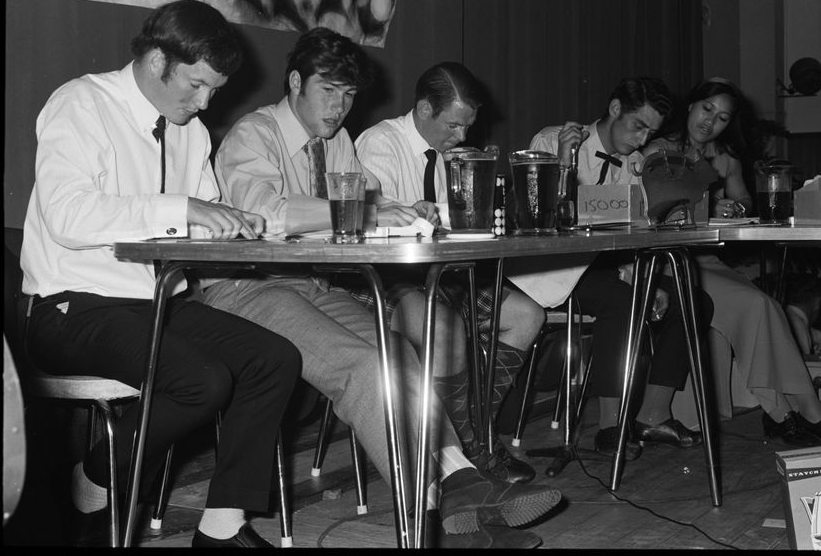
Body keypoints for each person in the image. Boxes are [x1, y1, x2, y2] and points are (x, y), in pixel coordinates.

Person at [201, 27, 561, 548]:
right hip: (248, 287)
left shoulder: (337, 142)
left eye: (349, 95)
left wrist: (401, 212)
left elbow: (366, 207)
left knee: (397, 356)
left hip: (314, 283)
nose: (339, 107)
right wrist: (368, 212)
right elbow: (264, 214)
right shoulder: (253, 133)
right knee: (365, 367)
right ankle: (435, 516)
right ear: (296, 82)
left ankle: (461, 495)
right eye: (328, 90)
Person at [20, 0, 303, 548]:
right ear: (156, 61)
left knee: (274, 359)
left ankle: (221, 531)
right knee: (201, 380)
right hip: (69, 307)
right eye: (196, 85)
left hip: (154, 306)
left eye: (214, 91)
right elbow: (67, 216)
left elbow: (200, 218)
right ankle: (94, 476)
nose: (204, 103)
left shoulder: (191, 132)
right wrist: (182, 209)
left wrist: (233, 227)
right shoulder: (81, 103)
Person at [354, 61, 546, 484]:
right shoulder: (379, 143)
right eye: (454, 125)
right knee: (443, 327)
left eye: (467, 126)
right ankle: (471, 449)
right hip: (383, 278)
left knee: (527, 316)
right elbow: (372, 226)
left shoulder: (452, 157)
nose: (461, 136)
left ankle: (470, 435)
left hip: (439, 273)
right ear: (425, 109)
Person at [642, 77, 821, 446]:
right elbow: (658, 208)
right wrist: (708, 206)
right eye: (707, 109)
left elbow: (745, 204)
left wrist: (735, 207)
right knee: (757, 305)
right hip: (669, 261)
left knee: (766, 306)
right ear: (691, 106)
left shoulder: (724, 158)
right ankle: (805, 413)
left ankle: (785, 414)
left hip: (706, 258)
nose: (711, 121)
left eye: (722, 118)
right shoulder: (659, 149)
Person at [526, 76, 714, 459]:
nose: (642, 139)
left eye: (651, 132)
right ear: (615, 110)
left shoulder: (636, 165)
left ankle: (652, 415)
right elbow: (535, 216)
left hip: (608, 270)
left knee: (692, 300)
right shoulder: (553, 140)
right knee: (622, 301)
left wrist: (647, 279)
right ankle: (611, 427)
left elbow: (635, 236)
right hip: (552, 270)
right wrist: (564, 162)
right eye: (638, 126)